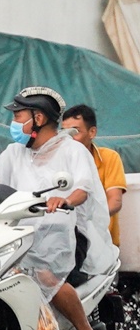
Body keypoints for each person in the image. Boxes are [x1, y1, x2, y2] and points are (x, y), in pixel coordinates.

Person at [0, 86, 114, 330]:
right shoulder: (14, 152)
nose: (13, 123)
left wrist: (65, 200)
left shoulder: (72, 150)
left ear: (38, 118)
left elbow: (83, 188)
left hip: (65, 234)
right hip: (20, 233)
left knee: (44, 274)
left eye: (18, 116)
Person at [61, 103, 124, 247]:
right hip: (67, 243)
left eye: (75, 131)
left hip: (103, 243)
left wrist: (92, 223)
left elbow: (115, 201)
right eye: (64, 132)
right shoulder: (57, 162)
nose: (68, 138)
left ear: (92, 132)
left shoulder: (109, 158)